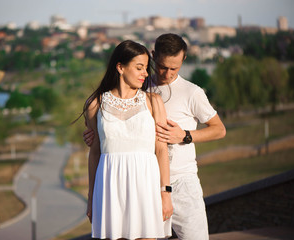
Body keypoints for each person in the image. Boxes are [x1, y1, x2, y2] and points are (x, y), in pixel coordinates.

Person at [84, 34, 226, 240]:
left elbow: (219, 130)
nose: (167, 73)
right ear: (153, 57)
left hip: (181, 180)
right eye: (161, 66)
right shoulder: (142, 85)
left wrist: (185, 135)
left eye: (174, 68)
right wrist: (96, 133)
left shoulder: (191, 92)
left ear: (183, 61)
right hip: (142, 182)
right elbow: (104, 140)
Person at [82, 40, 173, 240]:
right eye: (139, 68)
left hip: (145, 185)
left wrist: (165, 193)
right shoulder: (95, 104)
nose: (146, 74)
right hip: (109, 188)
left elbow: (161, 150)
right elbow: (95, 152)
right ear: (120, 67)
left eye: (146, 68)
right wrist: (91, 198)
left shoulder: (153, 101)